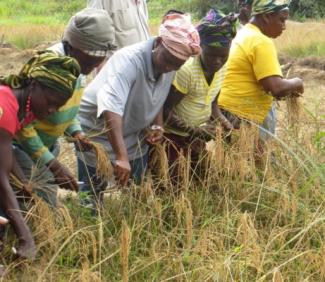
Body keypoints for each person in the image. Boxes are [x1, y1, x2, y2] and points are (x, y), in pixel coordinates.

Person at [77, 13, 201, 209]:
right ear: (159, 42)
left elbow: (158, 95)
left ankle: (134, 220)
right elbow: (111, 107)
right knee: (92, 188)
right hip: (98, 129)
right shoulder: (129, 61)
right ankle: (90, 223)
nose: (169, 67)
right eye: (167, 60)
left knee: (138, 189)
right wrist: (121, 156)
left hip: (132, 130)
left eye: (176, 65)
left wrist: (157, 124)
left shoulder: (170, 65)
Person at [14, 8, 116, 206]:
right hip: (23, 149)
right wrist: (53, 165)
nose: (90, 68)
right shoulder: (51, 67)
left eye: (95, 63)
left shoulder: (76, 65)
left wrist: (76, 132)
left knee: (38, 201)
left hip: (47, 148)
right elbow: (22, 121)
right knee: (38, 205)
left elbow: (68, 107)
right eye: (88, 63)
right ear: (71, 46)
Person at [0, 51, 80, 260]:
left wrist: (23, 181)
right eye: (50, 101)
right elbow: (1, 176)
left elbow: (6, 159)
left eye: (59, 106)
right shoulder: (4, 107)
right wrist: (26, 238)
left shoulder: (20, 108)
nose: (52, 110)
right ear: (33, 85)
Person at [163, 9, 237, 184]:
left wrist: (224, 124)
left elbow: (213, 104)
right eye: (211, 55)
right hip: (173, 139)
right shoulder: (187, 70)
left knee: (204, 182)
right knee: (174, 186)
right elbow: (165, 111)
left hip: (195, 137)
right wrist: (196, 131)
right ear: (200, 47)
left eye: (223, 56)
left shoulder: (222, 68)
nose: (217, 61)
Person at [218, 0, 304, 142]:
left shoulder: (243, 33)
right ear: (265, 17)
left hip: (226, 112)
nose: (284, 26)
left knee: (238, 161)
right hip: (243, 116)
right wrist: (298, 83)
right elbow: (276, 88)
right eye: (281, 20)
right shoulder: (260, 41)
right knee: (257, 162)